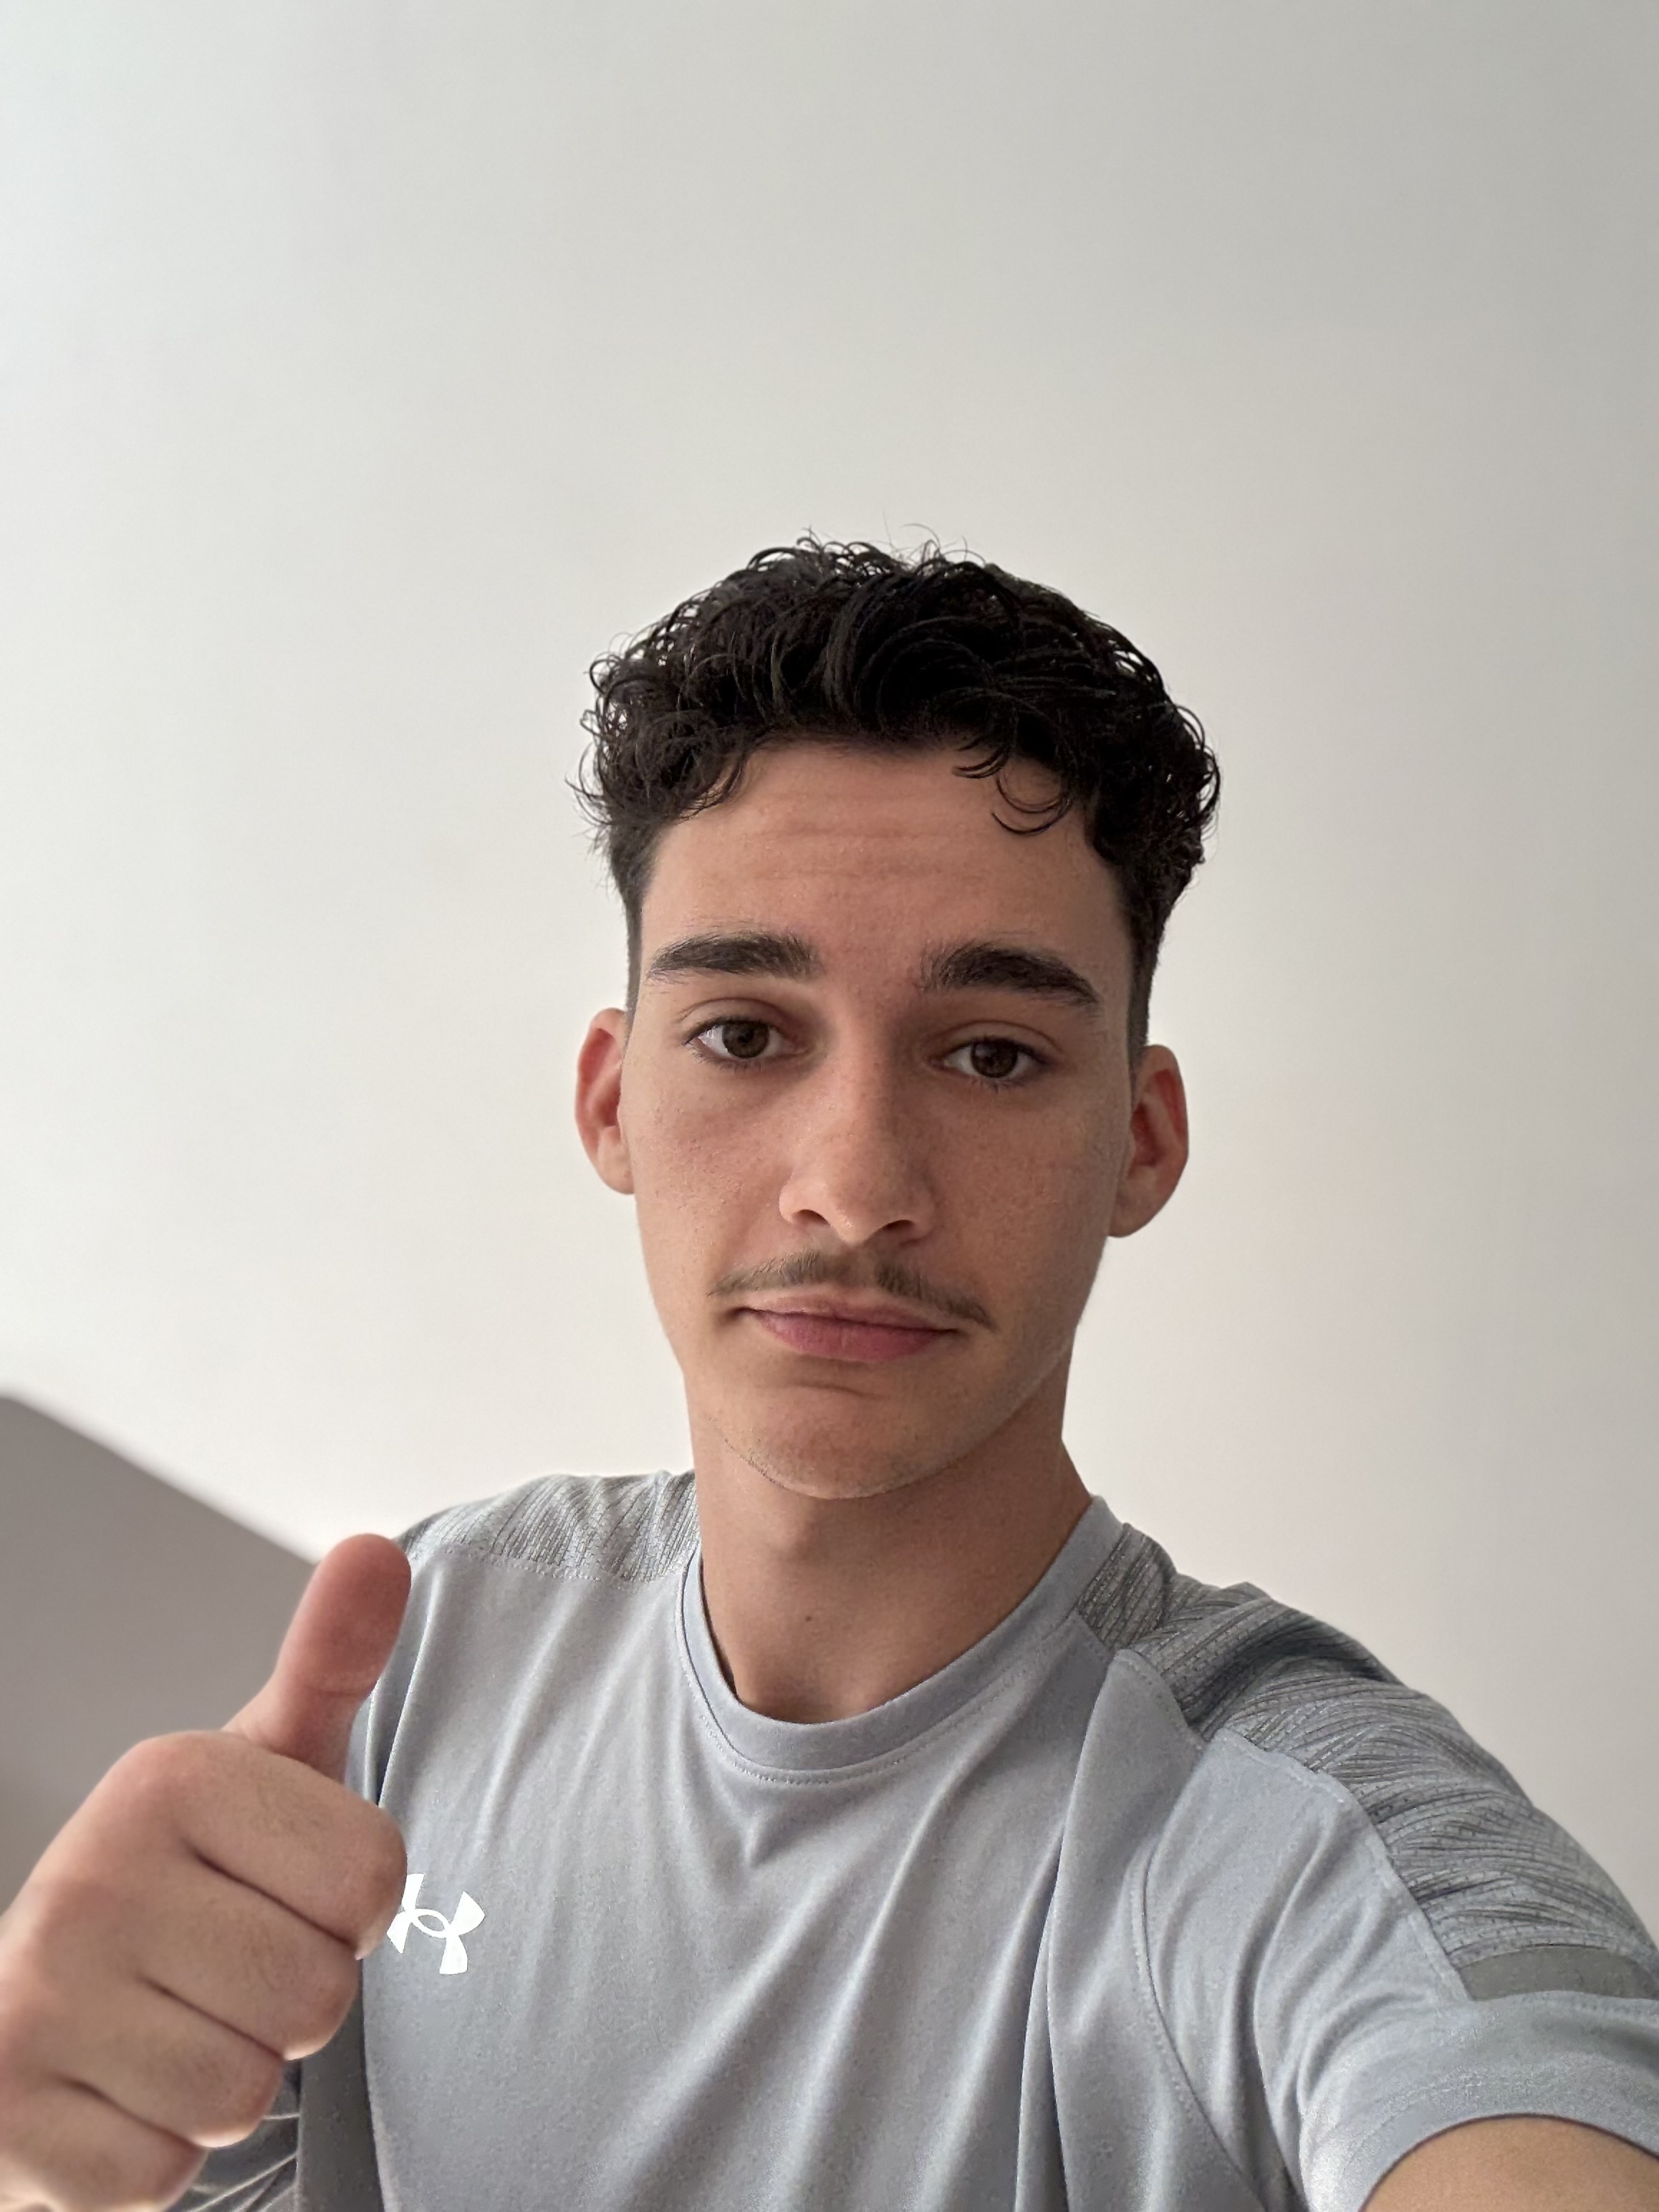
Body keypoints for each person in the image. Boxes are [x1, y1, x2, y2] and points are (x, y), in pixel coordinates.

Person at [1, 542, 1655, 2212]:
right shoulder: (439, 1643)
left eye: (993, 1053)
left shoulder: (1304, 1841)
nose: (854, 1186)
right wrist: (38, 2138)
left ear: (1141, 1142)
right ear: (611, 1100)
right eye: (745, 1034)